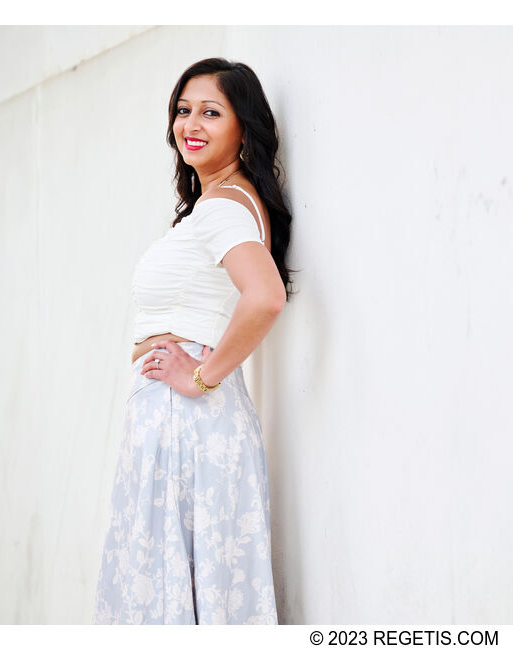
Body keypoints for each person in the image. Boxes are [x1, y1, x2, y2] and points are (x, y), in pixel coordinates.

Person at [93, 57, 295, 625]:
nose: (192, 123)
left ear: (242, 126)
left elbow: (265, 296)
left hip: (188, 420)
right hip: (179, 423)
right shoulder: (213, 206)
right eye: (184, 110)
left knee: (172, 598)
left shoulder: (226, 206)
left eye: (212, 111)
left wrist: (201, 377)